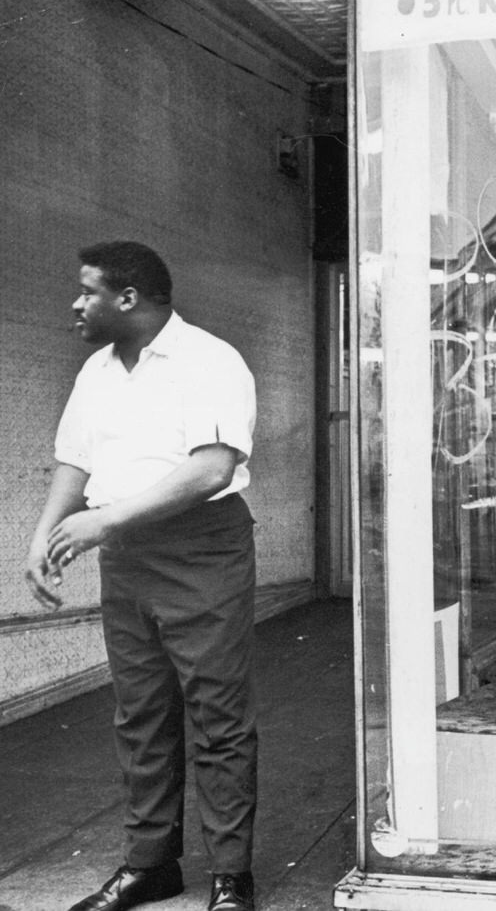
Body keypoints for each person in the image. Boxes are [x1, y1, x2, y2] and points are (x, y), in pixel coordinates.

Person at [25, 242, 259, 911]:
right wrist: (45, 532)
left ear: (128, 299)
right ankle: (151, 864)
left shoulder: (209, 360)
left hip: (201, 548)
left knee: (218, 715)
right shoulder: (96, 372)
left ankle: (230, 876)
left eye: (87, 291)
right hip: (127, 557)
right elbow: (75, 459)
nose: (76, 303)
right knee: (142, 714)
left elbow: (212, 468)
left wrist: (105, 522)